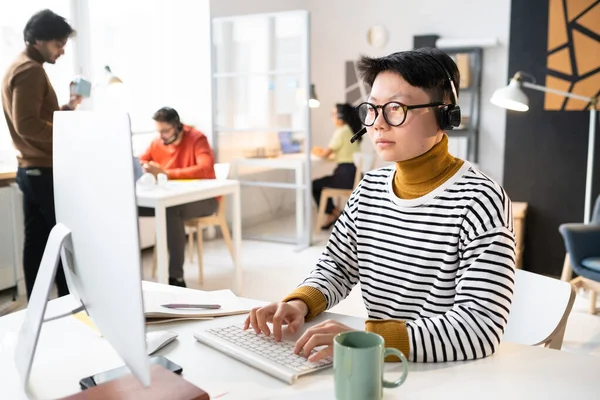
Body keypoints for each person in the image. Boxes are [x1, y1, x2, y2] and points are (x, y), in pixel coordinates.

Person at [244, 48, 516, 364]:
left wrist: (371, 340)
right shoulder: (370, 188)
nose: (378, 124)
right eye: (372, 109)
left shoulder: (481, 200)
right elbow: (337, 267)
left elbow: (479, 329)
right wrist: (301, 303)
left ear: (444, 116)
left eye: (396, 108)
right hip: (379, 365)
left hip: (448, 372)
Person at [2, 9, 81, 299]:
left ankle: (40, 305)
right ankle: (66, 301)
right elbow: (28, 125)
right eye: (58, 44)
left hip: (31, 168)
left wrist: (68, 110)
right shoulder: (30, 70)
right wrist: (69, 136)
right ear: (39, 40)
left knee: (37, 240)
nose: (61, 51)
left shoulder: (19, 66)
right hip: (42, 169)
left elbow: (36, 120)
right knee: (61, 239)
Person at [138, 107, 218, 287]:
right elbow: (139, 161)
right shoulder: (157, 143)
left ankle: (176, 278)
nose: (162, 136)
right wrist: (145, 166)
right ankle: (132, 273)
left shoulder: (197, 138)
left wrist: (165, 173)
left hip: (206, 200)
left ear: (177, 126)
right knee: (130, 207)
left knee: (171, 211)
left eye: (165, 131)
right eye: (159, 131)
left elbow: (205, 168)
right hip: (171, 198)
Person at [311, 103, 362, 229]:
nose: (332, 117)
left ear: (340, 116)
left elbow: (325, 154)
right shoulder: (350, 130)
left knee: (314, 185)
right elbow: (340, 153)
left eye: (333, 114)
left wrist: (315, 151)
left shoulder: (341, 131)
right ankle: (334, 214)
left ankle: (334, 213)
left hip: (345, 176)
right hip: (354, 175)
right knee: (322, 182)